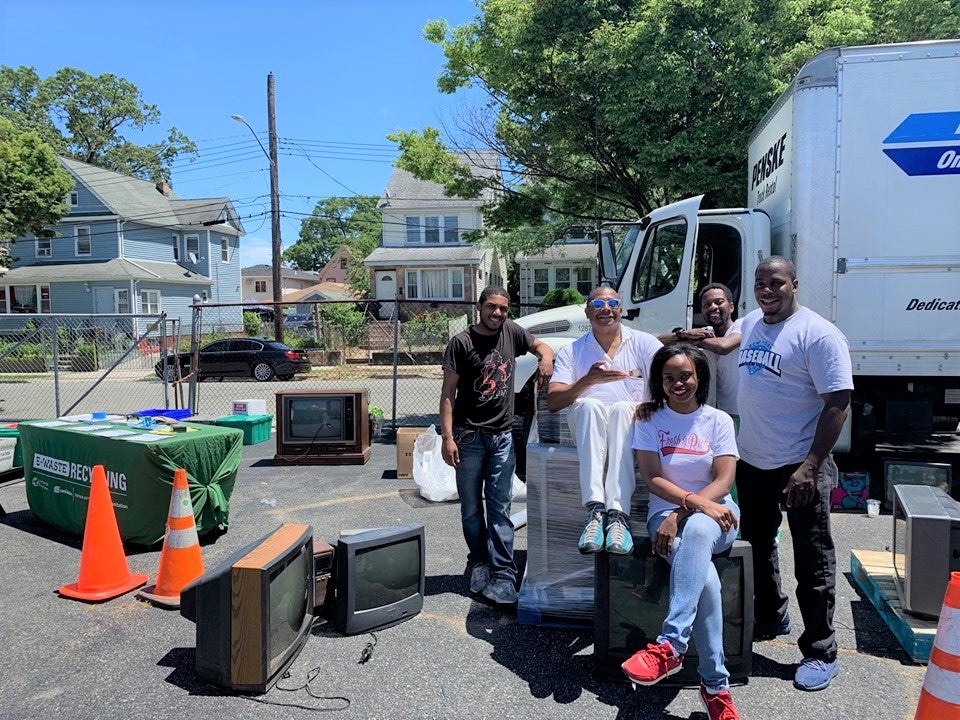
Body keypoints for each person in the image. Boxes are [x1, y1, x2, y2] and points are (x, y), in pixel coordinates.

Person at [736, 256, 852, 691]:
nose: (767, 290)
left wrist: (811, 465)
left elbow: (838, 402)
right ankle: (771, 615)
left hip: (799, 465)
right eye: (760, 283)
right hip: (753, 461)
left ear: (795, 285)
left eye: (776, 283)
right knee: (758, 546)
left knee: (812, 558)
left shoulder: (818, 334)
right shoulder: (751, 323)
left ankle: (821, 649)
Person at [621, 344, 742, 720]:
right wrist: (682, 509)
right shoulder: (649, 420)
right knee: (707, 583)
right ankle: (716, 687)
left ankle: (670, 645)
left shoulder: (718, 420)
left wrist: (685, 509)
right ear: (659, 382)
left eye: (685, 375)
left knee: (702, 528)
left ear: (699, 377)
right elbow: (652, 477)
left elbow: (724, 479)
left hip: (718, 515)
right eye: (669, 377)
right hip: (665, 521)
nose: (678, 383)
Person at [440, 286, 554, 606]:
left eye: (503, 308)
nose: (497, 313)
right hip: (468, 437)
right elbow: (448, 393)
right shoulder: (461, 343)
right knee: (471, 508)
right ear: (479, 307)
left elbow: (540, 345)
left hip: (503, 437)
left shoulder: (512, 332)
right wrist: (447, 438)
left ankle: (503, 574)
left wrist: (546, 358)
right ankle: (478, 563)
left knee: (500, 507)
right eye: (491, 306)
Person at [547, 287, 662, 555]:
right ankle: (595, 510)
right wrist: (588, 381)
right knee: (590, 405)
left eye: (612, 303)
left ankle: (618, 515)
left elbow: (669, 381)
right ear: (587, 312)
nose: (606, 309)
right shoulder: (572, 351)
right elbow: (553, 401)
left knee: (622, 410)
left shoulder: (645, 343)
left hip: (633, 424)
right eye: (598, 304)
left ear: (621, 309)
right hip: (588, 424)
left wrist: (652, 404)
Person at [658, 283, 743, 427]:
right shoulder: (707, 331)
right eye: (707, 304)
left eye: (718, 302)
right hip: (715, 412)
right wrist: (682, 335)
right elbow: (657, 342)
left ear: (731, 307)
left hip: (739, 412)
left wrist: (696, 341)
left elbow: (723, 347)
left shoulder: (742, 325)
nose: (713, 307)